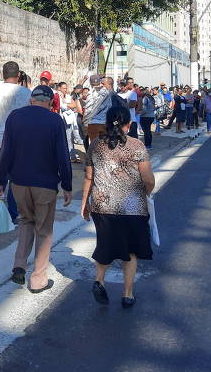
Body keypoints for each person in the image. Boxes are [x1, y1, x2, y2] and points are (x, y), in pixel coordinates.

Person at [0, 85, 72, 293]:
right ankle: (38, 279)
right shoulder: (55, 120)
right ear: (50, 102)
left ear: (31, 100)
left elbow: (6, 152)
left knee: (26, 221)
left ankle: (19, 265)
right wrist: (67, 185)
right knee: (44, 230)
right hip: (45, 185)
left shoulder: (14, 117)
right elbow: (63, 155)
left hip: (19, 183)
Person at [80, 105, 155, 308]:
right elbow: (148, 179)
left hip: (102, 206)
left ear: (106, 123)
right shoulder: (137, 146)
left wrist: (85, 203)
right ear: (128, 124)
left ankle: (99, 280)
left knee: (105, 244)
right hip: (132, 207)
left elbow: (89, 177)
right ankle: (127, 294)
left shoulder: (95, 145)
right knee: (130, 251)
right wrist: (147, 192)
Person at [0, 61, 32, 221]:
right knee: (16, 178)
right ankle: (12, 212)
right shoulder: (26, 93)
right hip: (19, 142)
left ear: (3, 74)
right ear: (19, 75)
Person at [82, 75, 111, 144]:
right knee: (104, 144)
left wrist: (85, 122)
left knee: (95, 145)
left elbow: (88, 110)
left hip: (94, 123)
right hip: (105, 122)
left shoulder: (91, 93)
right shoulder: (107, 92)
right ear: (100, 82)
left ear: (90, 83)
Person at [57, 82, 81, 162]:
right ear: (59, 88)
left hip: (68, 120)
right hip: (60, 119)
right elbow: (59, 106)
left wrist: (65, 104)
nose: (65, 90)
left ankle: (72, 156)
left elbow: (74, 105)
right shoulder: (57, 96)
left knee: (69, 138)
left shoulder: (68, 96)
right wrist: (68, 105)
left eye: (66, 88)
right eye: (64, 88)